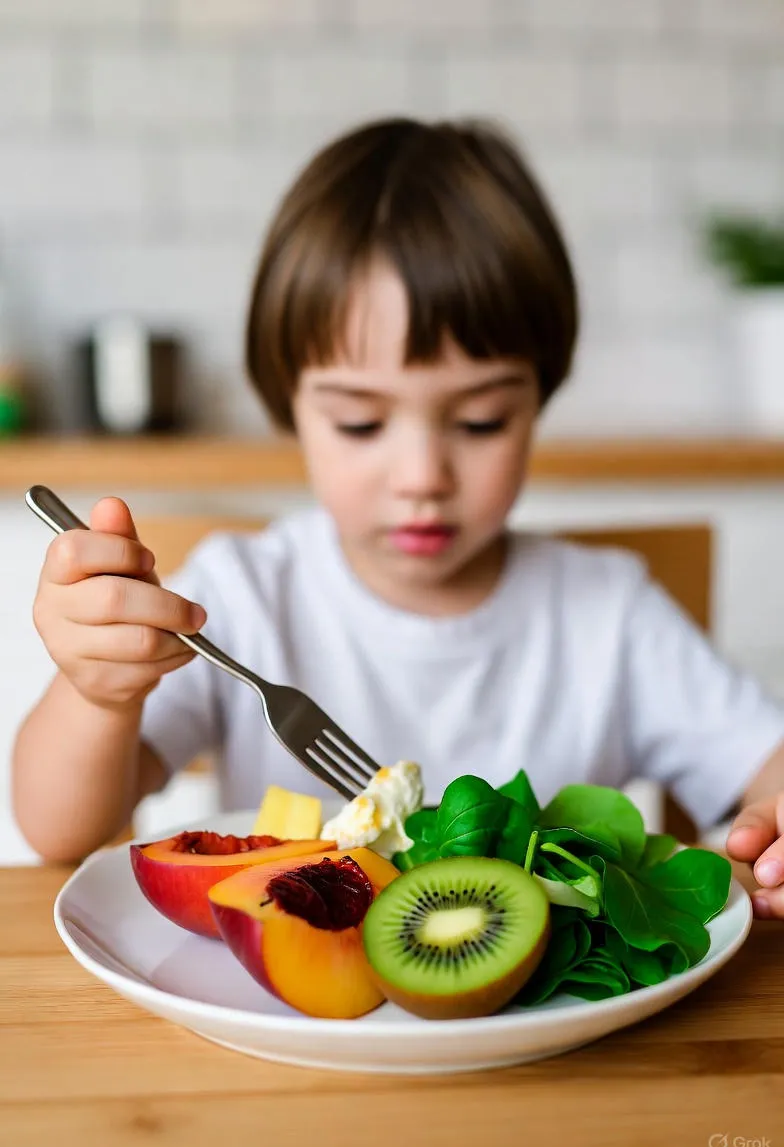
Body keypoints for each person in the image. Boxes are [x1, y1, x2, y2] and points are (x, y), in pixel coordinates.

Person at [11, 117, 784, 919]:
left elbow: (767, 769)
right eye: (360, 424)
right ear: (290, 408)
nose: (422, 478)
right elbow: (57, 833)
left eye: (480, 421)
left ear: (538, 402)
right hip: (292, 1034)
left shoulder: (609, 613)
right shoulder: (239, 597)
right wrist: (98, 696)